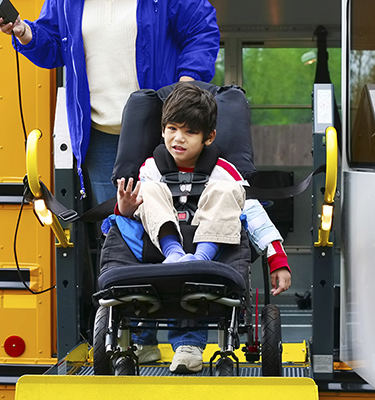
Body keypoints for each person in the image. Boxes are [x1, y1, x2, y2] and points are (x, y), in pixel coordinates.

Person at [113, 82, 292, 374]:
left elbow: (253, 214)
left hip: (209, 249)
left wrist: (277, 258)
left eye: (189, 132)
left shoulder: (224, 171)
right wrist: (126, 206)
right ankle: (143, 340)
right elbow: (135, 214)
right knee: (149, 190)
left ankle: (189, 342)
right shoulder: (151, 168)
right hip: (161, 249)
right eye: (172, 129)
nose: (178, 139)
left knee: (227, 191)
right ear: (162, 130)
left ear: (209, 138)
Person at [0, 0, 220, 204]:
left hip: (162, 132)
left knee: (169, 222)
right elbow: (54, 48)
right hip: (100, 137)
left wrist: (183, 90)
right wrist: (25, 32)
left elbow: (201, 30)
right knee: (115, 229)